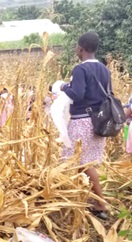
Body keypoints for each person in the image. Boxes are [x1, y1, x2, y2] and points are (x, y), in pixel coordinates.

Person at [59, 32, 110, 219]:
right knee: (84, 163)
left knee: (81, 162)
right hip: (99, 121)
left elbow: (77, 94)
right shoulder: (104, 69)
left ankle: (100, 202)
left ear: (80, 48)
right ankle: (87, 199)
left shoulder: (80, 69)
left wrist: (64, 87)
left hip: (82, 121)